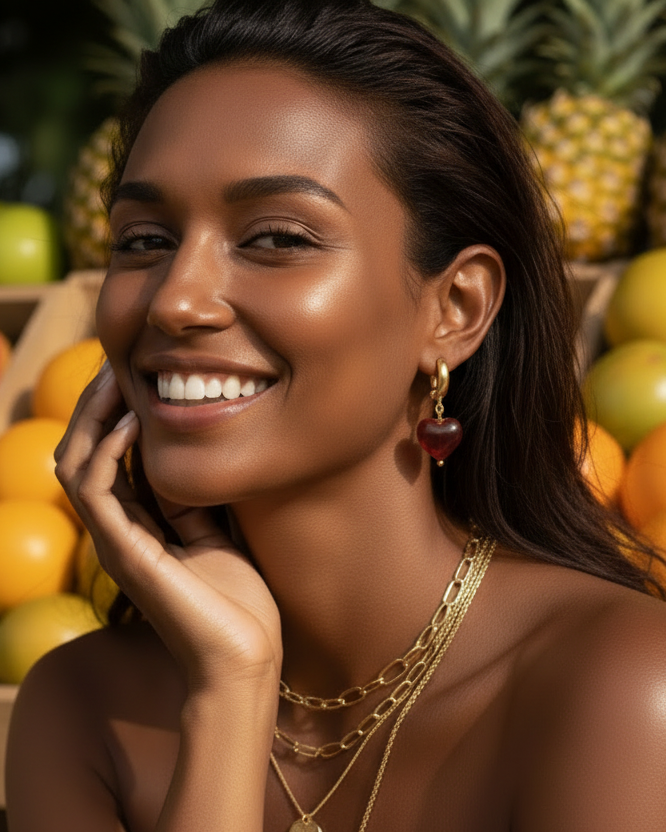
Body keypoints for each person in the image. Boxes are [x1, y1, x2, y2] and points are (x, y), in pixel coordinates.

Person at [6, 0, 666, 829]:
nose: (175, 299)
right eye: (142, 240)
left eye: (277, 239)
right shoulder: (79, 709)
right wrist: (230, 691)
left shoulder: (620, 684)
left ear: (454, 309)